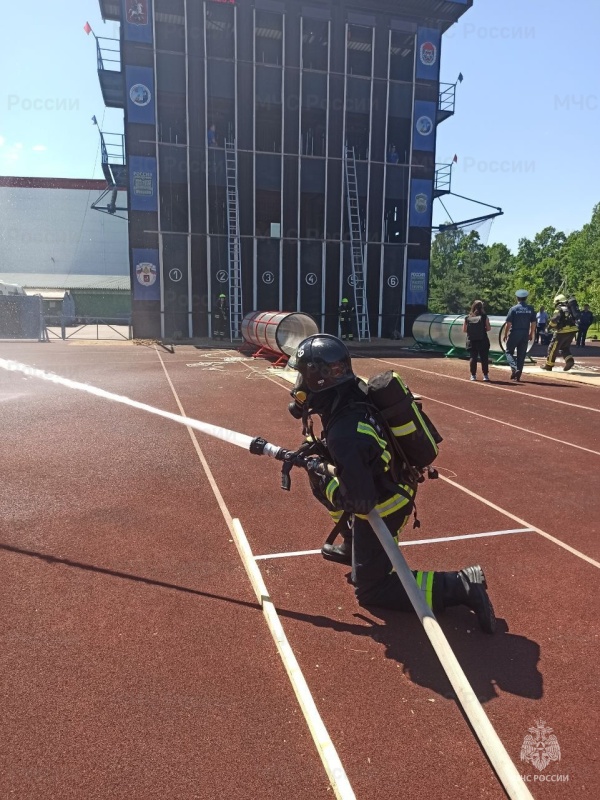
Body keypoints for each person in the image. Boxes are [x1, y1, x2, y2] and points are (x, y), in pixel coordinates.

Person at [288, 334, 496, 634]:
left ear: (318, 380)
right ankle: (353, 545)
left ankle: (462, 585)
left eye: (302, 376)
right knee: (324, 481)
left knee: (371, 590)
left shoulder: (345, 434)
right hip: (387, 477)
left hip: (386, 502)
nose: (298, 385)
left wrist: (320, 470)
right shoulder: (350, 392)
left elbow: (361, 502)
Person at [503, 289, 536, 381]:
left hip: (514, 333)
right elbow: (533, 323)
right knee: (521, 354)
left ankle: (514, 368)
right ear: (526, 298)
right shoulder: (530, 309)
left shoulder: (513, 309)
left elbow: (508, 324)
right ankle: (518, 374)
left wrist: (505, 334)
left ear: (517, 298)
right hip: (525, 333)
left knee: (508, 351)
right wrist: (531, 334)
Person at [542, 294, 578, 371]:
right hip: (572, 330)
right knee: (564, 347)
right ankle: (569, 361)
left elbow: (554, 319)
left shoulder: (559, 308)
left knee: (552, 348)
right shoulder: (569, 308)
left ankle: (549, 365)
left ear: (558, 302)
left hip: (562, 331)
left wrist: (548, 328)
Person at [462, 299, 491, 382]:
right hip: (483, 340)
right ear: (482, 307)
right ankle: (485, 375)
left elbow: (464, 330)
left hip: (471, 341)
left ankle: (473, 375)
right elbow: (488, 328)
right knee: (484, 358)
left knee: (473, 358)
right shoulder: (484, 317)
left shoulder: (468, 317)